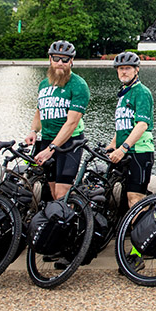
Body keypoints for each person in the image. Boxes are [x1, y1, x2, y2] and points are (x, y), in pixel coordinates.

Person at [24, 40, 91, 201]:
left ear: (71, 61)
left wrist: (51, 149)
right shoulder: (43, 85)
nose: (60, 63)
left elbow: (72, 122)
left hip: (70, 143)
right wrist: (33, 131)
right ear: (50, 59)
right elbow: (40, 111)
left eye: (65, 59)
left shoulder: (78, 85)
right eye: (56, 58)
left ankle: (75, 222)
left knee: (62, 193)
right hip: (47, 139)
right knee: (52, 192)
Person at [106, 52, 155, 210]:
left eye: (127, 68)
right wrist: (113, 144)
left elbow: (142, 124)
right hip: (124, 151)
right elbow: (122, 125)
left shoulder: (141, 92)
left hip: (139, 151)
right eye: (120, 69)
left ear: (137, 70)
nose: (123, 72)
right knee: (125, 197)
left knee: (136, 198)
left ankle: (143, 233)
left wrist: (123, 148)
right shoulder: (124, 93)